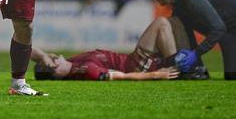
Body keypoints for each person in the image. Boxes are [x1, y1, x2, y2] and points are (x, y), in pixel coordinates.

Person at [33, 17, 185, 80]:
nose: (54, 54)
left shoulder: (72, 63)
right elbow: (124, 77)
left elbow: (29, 51)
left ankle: (180, 66)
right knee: (162, 23)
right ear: (55, 67)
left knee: (175, 23)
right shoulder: (87, 69)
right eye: (52, 58)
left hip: (135, 59)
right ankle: (178, 69)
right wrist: (156, 75)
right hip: (137, 65)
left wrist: (44, 58)